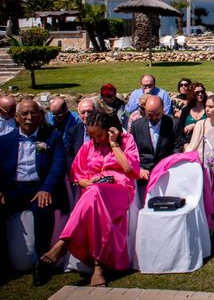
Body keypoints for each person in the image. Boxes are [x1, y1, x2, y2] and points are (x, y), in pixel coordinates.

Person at [40, 110, 140, 287]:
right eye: (91, 135)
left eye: (99, 135)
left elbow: (129, 170)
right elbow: (76, 175)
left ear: (109, 130)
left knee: (95, 194)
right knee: (95, 198)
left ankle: (64, 241)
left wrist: (113, 144)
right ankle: (97, 266)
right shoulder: (88, 147)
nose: (94, 139)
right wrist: (89, 182)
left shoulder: (125, 141)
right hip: (93, 192)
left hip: (120, 189)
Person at [0, 99, 67, 285]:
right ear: (16, 117)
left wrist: (46, 188)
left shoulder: (53, 137)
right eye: (24, 114)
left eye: (34, 113)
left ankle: (41, 263)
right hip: (13, 189)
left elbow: (58, 166)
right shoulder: (5, 141)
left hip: (39, 188)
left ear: (40, 115)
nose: (29, 118)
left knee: (42, 211)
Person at [129, 95, 184, 198]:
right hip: (144, 175)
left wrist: (168, 166)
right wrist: (139, 169)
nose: (154, 118)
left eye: (157, 114)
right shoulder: (136, 126)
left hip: (166, 173)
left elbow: (178, 148)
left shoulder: (173, 124)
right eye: (150, 115)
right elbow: (132, 151)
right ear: (144, 111)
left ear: (163, 109)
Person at [65, 97, 98, 173]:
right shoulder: (72, 131)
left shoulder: (105, 130)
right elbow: (68, 155)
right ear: (78, 114)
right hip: (78, 173)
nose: (86, 115)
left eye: (89, 111)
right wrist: (76, 173)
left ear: (97, 112)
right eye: (83, 112)